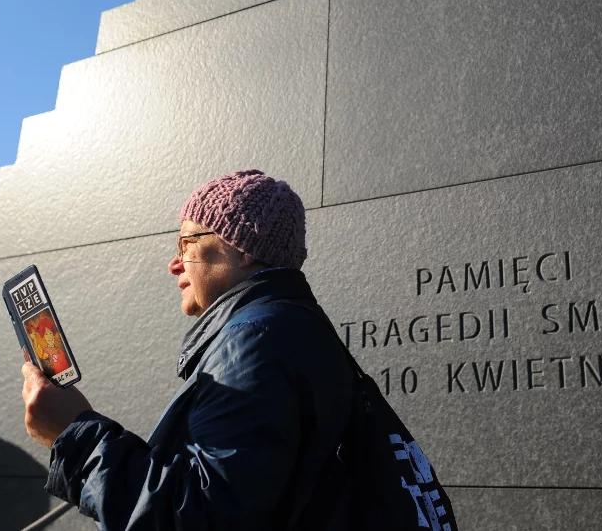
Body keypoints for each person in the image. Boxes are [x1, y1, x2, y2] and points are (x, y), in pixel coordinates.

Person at [21, 170, 354, 530]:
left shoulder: (254, 340)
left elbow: (200, 516)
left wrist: (75, 437)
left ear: (242, 248)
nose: (174, 263)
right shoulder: (292, 330)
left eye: (186, 244)